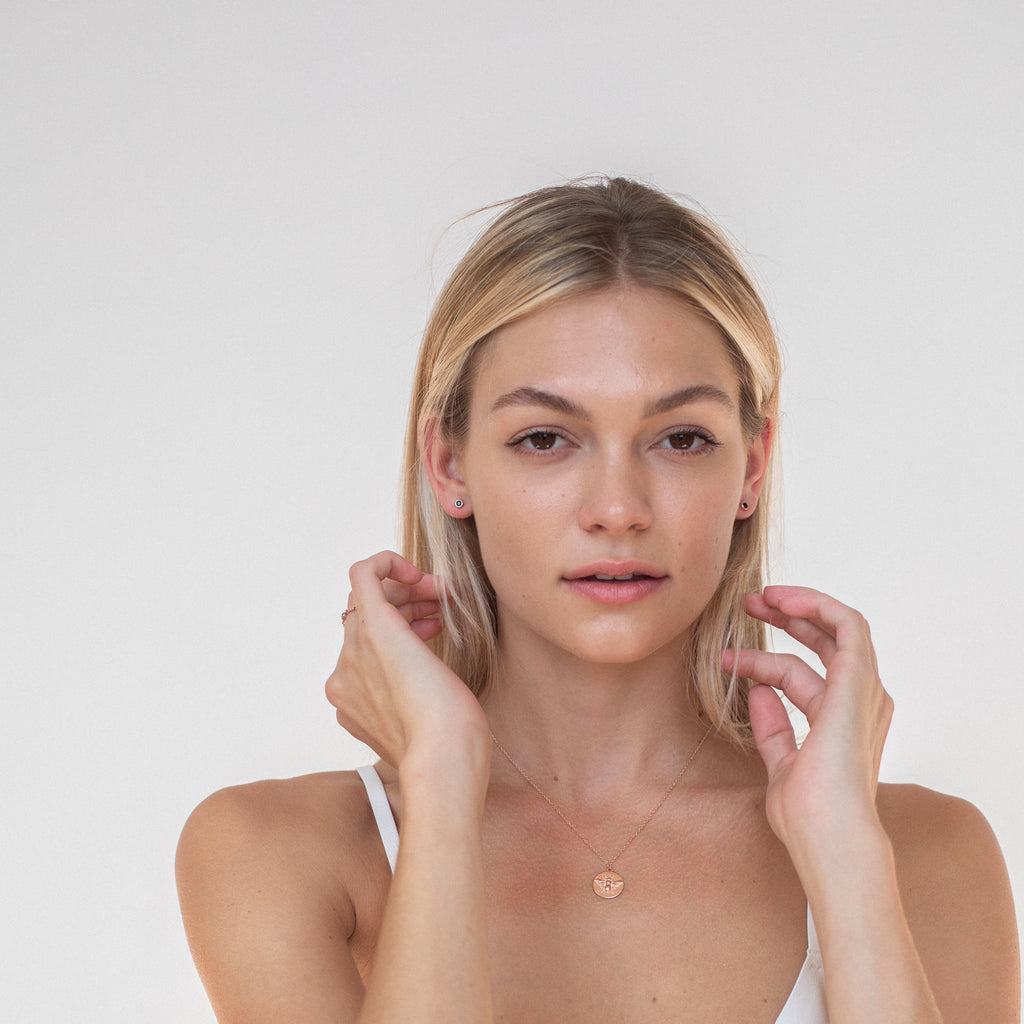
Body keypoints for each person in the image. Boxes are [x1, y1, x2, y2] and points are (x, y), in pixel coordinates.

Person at [175, 177, 1019, 1023]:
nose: (618, 508)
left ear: (753, 466)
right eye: (546, 439)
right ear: (451, 465)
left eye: (681, 438)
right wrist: (439, 779)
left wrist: (846, 863)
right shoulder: (279, 853)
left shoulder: (923, 857)